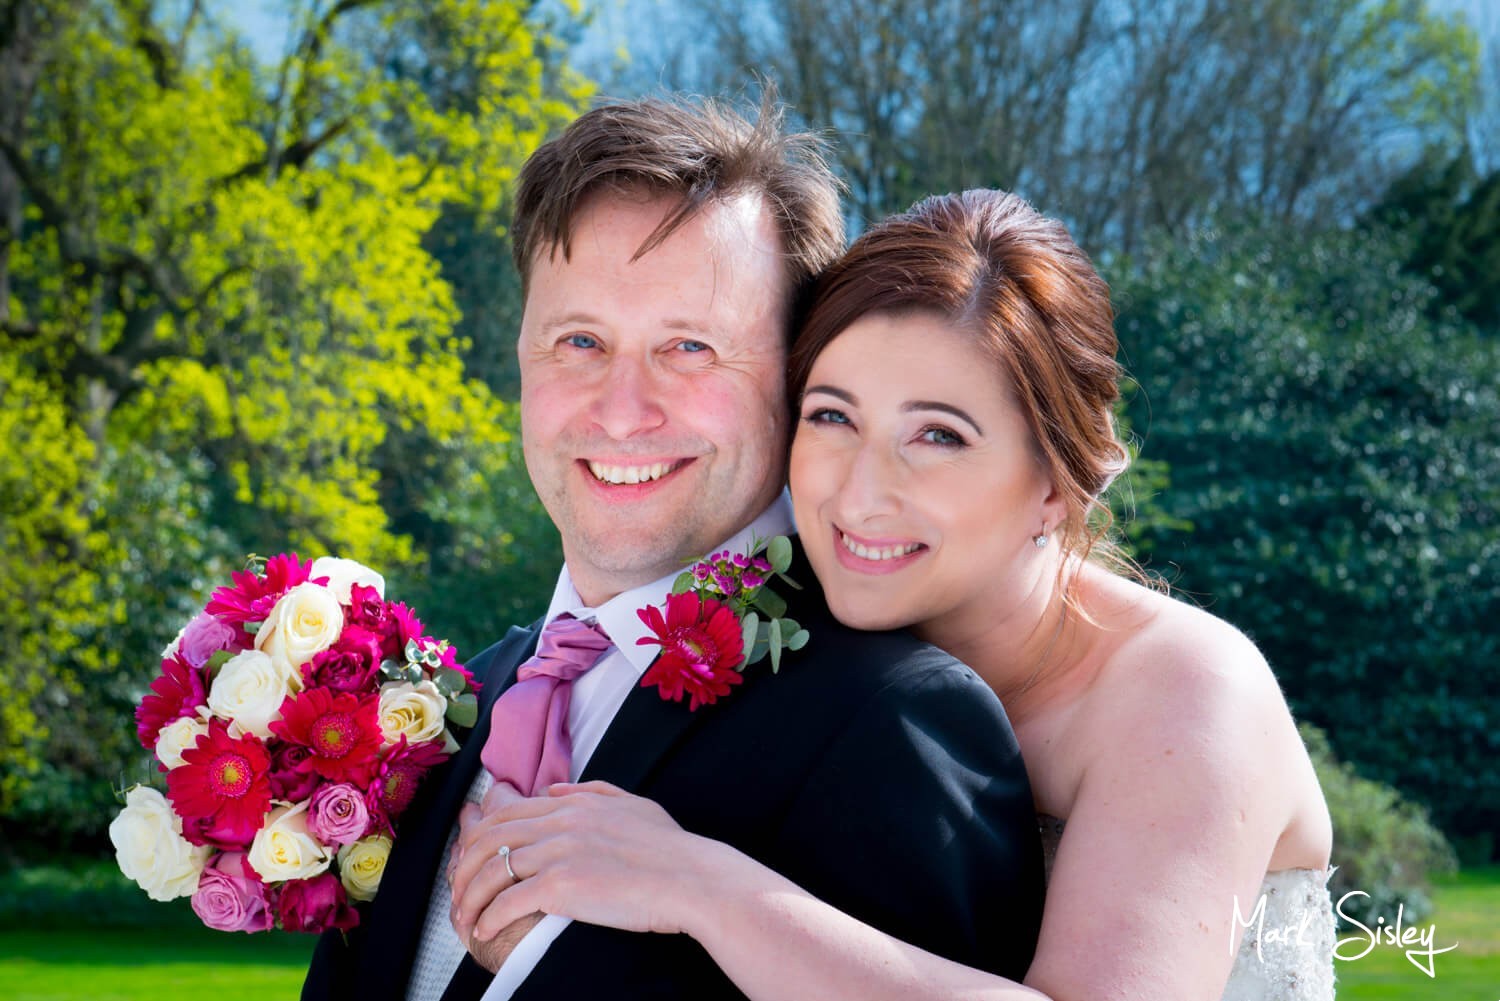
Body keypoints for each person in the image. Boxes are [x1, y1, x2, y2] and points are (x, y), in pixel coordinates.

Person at [445, 189, 1338, 1001]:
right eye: (832, 416)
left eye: (939, 436)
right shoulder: (783, 649)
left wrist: (699, 885)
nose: (861, 492)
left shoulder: (1187, 693)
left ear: (1060, 482)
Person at [301, 104, 1046, 1001]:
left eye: (690, 348)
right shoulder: (455, 706)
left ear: (795, 376)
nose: (621, 410)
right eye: (580, 341)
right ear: (522, 360)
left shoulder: (895, 719)